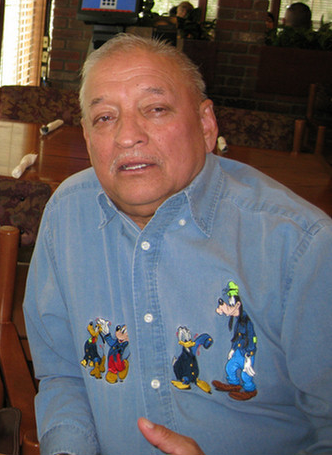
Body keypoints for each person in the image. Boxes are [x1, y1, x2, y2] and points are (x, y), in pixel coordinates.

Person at [23, 33, 332, 455]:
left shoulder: (299, 245)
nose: (128, 135)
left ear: (206, 125)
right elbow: (63, 372)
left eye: (155, 109)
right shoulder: (66, 214)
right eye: (105, 118)